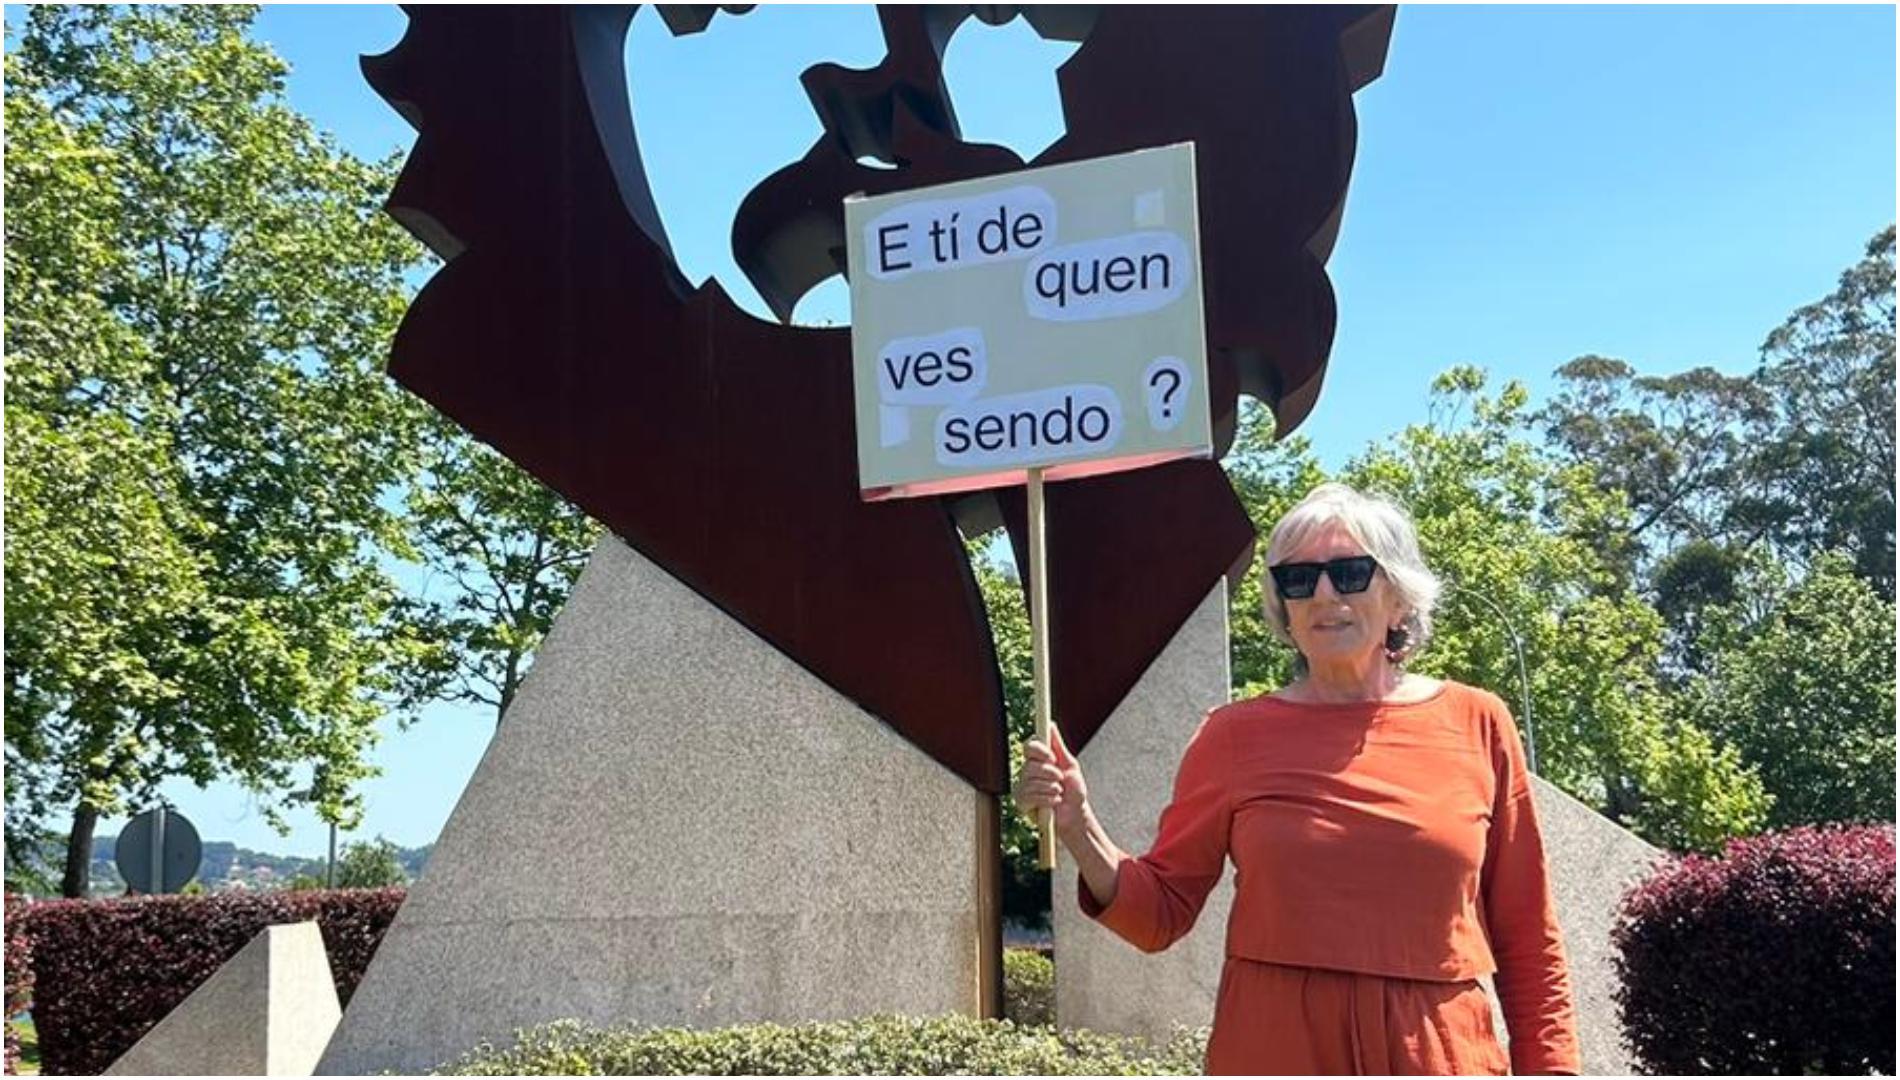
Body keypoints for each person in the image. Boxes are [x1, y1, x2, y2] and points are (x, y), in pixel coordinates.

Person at [1014, 482, 1580, 1075]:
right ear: (1284, 610)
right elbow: (1160, 914)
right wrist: (1079, 827)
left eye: (1351, 572)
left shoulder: (1477, 722)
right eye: (1299, 580)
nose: (1325, 593)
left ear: (1400, 598)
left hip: (1436, 1054)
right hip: (1276, 1049)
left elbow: (1529, 939)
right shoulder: (1232, 736)